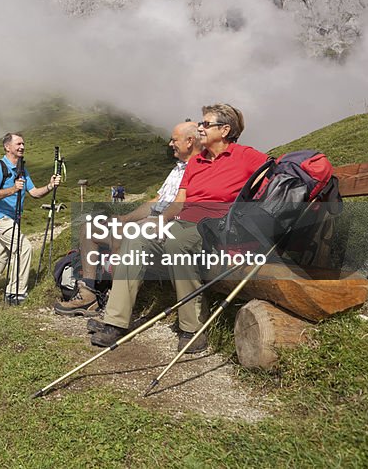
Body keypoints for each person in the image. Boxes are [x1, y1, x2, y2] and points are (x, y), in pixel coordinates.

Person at [90, 104, 267, 352]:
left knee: (178, 241)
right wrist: (159, 223)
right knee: (136, 240)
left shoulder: (246, 156)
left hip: (218, 228)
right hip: (184, 222)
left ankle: (192, 328)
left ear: (225, 130)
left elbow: (277, 180)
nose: (201, 128)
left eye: (206, 124)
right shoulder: (197, 163)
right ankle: (115, 322)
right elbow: (179, 202)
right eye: (201, 123)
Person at [54, 121, 201, 317]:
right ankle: (88, 294)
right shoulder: (177, 169)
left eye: (174, 140)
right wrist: (126, 217)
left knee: (120, 234)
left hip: (170, 225)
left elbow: (183, 206)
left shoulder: (200, 169)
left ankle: (116, 303)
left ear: (190, 141)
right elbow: (155, 201)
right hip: (152, 220)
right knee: (89, 229)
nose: (170, 144)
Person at [0, 132, 61, 309]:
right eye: (18, 144)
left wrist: (50, 186)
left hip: (12, 220)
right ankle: (16, 292)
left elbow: (34, 193)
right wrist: (13, 189)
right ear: (7, 147)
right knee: (24, 248)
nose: (22, 147)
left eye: (23, 144)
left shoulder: (21, 168)